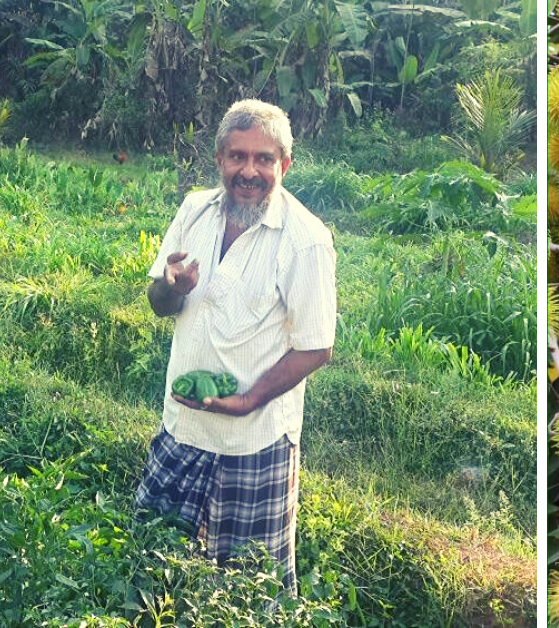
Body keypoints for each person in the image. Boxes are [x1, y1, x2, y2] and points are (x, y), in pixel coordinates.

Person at [135, 99, 337, 595]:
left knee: (249, 593)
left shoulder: (306, 240)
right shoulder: (193, 211)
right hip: (181, 427)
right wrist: (171, 287)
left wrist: (246, 401)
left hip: (255, 444)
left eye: (264, 159)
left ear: (284, 165)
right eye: (237, 157)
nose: (249, 171)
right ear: (220, 159)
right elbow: (159, 303)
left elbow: (316, 347)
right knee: (152, 571)